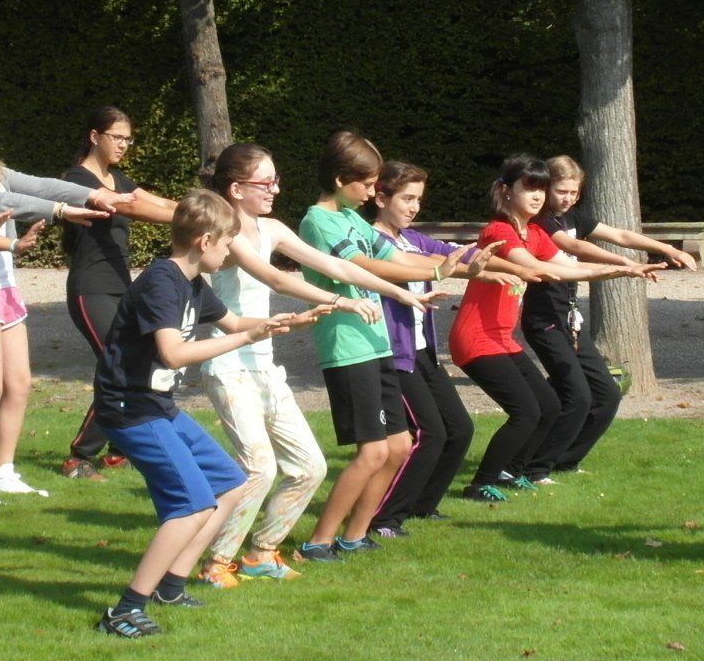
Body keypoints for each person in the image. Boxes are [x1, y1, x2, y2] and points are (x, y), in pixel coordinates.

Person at [196, 142, 436, 584]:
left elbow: (334, 266)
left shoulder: (272, 228)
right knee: (260, 468)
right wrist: (337, 303)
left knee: (310, 466)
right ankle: (217, 561)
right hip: (226, 363)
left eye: (275, 180)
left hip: (264, 364)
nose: (275, 188)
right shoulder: (227, 235)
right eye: (265, 182)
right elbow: (272, 277)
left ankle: (261, 553)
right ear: (236, 189)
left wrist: (401, 293)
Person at [91, 190, 318, 638]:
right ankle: (124, 610)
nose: (233, 250)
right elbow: (174, 354)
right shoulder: (163, 281)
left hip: (157, 406)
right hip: (129, 408)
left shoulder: (193, 281)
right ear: (204, 240)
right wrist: (247, 338)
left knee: (229, 483)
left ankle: (171, 586)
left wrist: (285, 322)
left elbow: (233, 324)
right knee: (190, 505)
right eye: (228, 241)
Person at [0, 97, 119, 508]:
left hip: (5, 286)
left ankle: (2, 473)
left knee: (19, 383)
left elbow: (40, 185)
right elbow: (6, 205)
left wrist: (95, 194)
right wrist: (64, 210)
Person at [296, 131, 466, 561]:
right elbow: (359, 267)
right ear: (340, 178)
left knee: (400, 445)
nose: (374, 191)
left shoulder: (352, 219)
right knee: (372, 451)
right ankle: (318, 541)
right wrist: (413, 287)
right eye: (368, 183)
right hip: (348, 348)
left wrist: (447, 268)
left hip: (377, 346)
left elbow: (395, 258)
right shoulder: (319, 221)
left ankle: (355, 535)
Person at [448, 155, 655, 502]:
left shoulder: (536, 233)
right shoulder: (498, 231)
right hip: (475, 339)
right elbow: (536, 269)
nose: (537, 196)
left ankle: (513, 471)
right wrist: (616, 267)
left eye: (541, 188)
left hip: (502, 339)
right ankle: (480, 482)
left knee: (549, 404)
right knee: (526, 411)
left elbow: (568, 267)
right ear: (505, 191)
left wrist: (623, 270)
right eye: (529, 188)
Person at [521, 154, 694, 481]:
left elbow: (622, 236)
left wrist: (668, 250)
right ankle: (534, 468)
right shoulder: (540, 223)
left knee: (606, 394)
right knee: (576, 395)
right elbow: (575, 248)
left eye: (574, 191)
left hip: (570, 321)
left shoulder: (575, 216)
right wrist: (625, 266)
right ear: (546, 188)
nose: (568, 198)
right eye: (561, 191)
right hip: (544, 322)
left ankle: (565, 460)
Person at [363, 161, 490, 533]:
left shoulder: (411, 238)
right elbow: (429, 264)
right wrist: (457, 264)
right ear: (381, 197)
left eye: (418, 199)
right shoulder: (371, 241)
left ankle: (421, 504)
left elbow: (451, 256)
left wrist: (495, 262)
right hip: (394, 354)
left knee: (460, 429)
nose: (414, 206)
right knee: (429, 433)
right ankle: (384, 517)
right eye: (407, 198)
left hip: (422, 352)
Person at [61, 106, 177, 479]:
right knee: (118, 365)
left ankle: (117, 449)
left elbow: (156, 200)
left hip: (119, 287)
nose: (124, 145)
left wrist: (201, 208)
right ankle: (80, 456)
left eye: (129, 139)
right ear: (95, 137)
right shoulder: (78, 181)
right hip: (89, 288)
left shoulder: (119, 179)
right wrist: (195, 219)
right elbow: (140, 209)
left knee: (138, 360)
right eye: (118, 137)